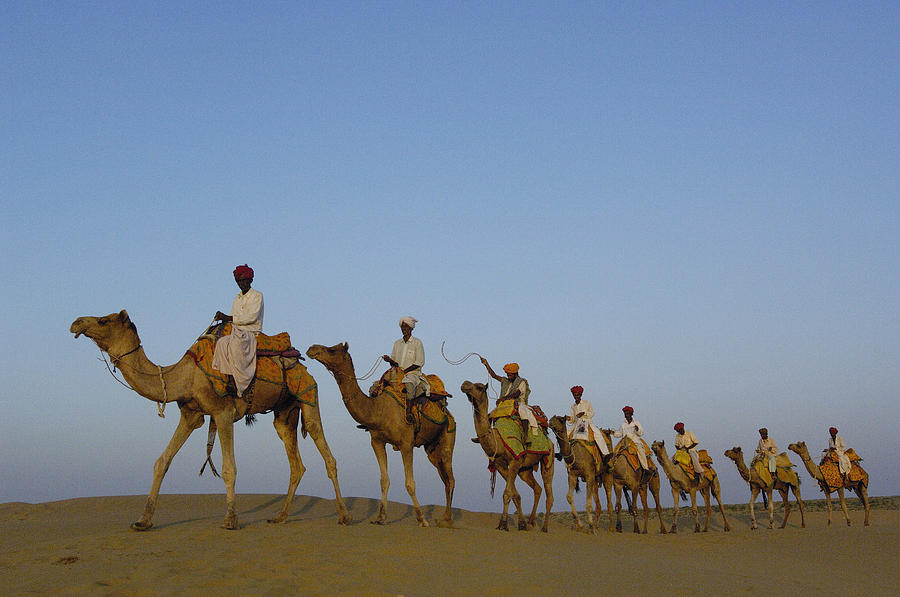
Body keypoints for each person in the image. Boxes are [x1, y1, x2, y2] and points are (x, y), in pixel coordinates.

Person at [211, 264, 264, 397]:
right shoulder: (237, 298)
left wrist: (228, 317)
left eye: (244, 280)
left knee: (235, 345)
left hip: (250, 332)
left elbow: (251, 317)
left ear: (250, 280)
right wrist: (223, 318)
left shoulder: (257, 296)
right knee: (222, 343)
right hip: (236, 331)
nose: (242, 284)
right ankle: (228, 377)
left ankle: (240, 383)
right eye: (239, 281)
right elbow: (233, 317)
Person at [382, 316, 429, 423]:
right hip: (397, 373)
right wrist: (389, 360)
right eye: (402, 327)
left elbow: (419, 362)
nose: (404, 329)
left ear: (411, 328)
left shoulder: (417, 343)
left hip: (412, 374)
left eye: (406, 327)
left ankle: (409, 412)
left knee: (409, 384)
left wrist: (405, 371)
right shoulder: (397, 343)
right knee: (378, 386)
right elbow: (394, 362)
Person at [480, 358, 539, 437]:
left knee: (523, 413)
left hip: (519, 403)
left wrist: (503, 398)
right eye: (507, 374)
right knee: (490, 416)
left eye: (510, 375)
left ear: (515, 374)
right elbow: (493, 375)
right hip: (505, 404)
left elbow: (517, 394)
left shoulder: (522, 382)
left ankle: (525, 436)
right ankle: (485, 435)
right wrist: (486, 364)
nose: (508, 376)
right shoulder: (505, 381)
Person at [565, 385, 610, 456]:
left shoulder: (587, 403)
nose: (576, 397)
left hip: (587, 422)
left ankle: (606, 454)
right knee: (565, 435)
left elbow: (592, 413)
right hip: (577, 424)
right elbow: (573, 419)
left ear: (580, 395)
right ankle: (564, 454)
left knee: (598, 434)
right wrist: (569, 418)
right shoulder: (573, 406)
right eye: (574, 395)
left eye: (577, 395)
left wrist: (584, 413)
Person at [614, 406, 649, 470]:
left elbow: (641, 433)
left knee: (641, 452)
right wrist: (612, 432)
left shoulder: (636, 423)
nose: (626, 415)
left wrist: (637, 429)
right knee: (615, 454)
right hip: (625, 443)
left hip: (635, 442)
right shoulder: (623, 424)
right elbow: (619, 433)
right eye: (625, 413)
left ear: (631, 414)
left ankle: (646, 468)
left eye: (627, 413)